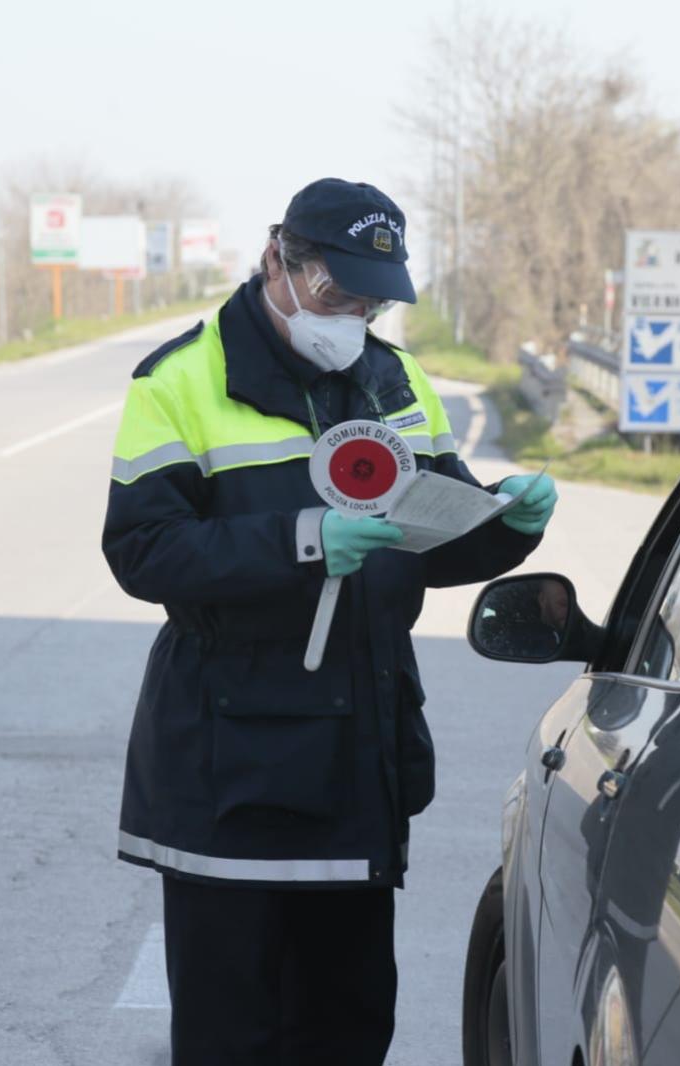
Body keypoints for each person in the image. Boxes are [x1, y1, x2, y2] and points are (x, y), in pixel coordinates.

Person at [101, 178, 558, 1065]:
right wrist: (303, 540)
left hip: (360, 761)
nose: (352, 313)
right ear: (279, 259)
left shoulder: (392, 377)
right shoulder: (182, 381)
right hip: (231, 772)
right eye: (334, 291)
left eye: (371, 297)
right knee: (237, 1035)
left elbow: (432, 528)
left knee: (350, 1026)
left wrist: (505, 523)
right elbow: (143, 551)